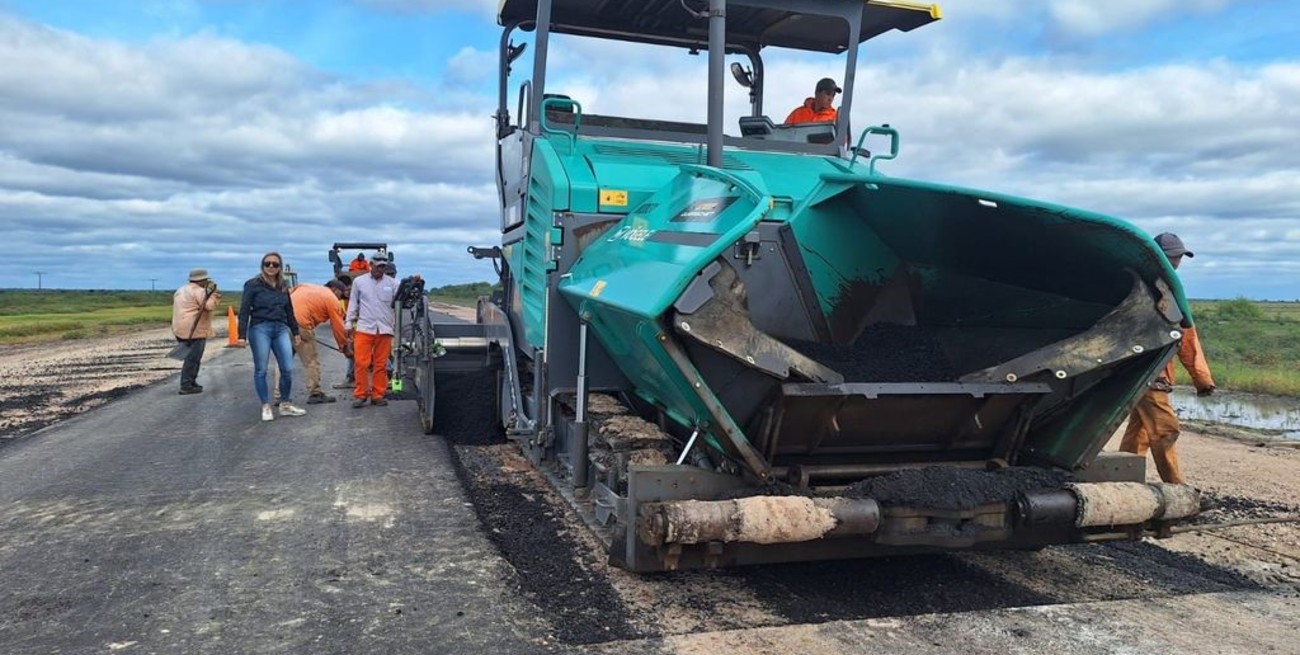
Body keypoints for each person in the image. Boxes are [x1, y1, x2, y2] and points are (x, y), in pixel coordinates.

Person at [1119, 232, 1215, 485]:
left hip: (1137, 372)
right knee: (1165, 429)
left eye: (1178, 256)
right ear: (1158, 256)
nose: (1177, 261)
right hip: (1150, 373)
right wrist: (1201, 379)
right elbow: (1186, 336)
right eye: (1173, 256)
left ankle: (1124, 482)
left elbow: (1185, 336)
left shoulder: (1150, 285)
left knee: (1138, 433)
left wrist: (1202, 379)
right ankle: (1177, 489)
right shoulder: (1159, 289)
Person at [237, 252, 307, 422]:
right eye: (267, 264)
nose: (271, 267)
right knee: (261, 369)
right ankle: (265, 406)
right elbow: (245, 310)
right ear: (262, 265)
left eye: (275, 264)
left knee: (287, 368)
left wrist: (295, 332)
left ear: (279, 267)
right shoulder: (253, 285)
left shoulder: (283, 286)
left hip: (281, 328)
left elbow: (289, 310)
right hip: (260, 327)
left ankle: (285, 404)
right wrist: (241, 335)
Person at [346, 250, 400, 408]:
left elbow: (401, 300)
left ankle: (378, 394)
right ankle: (361, 394)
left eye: (383, 267)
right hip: (365, 328)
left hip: (384, 329)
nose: (380, 270)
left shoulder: (392, 283)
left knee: (381, 364)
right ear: (370, 265)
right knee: (361, 363)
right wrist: (348, 322)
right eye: (377, 266)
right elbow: (353, 303)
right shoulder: (359, 282)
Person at [290, 280, 352, 404]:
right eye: (340, 295)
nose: (340, 298)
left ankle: (280, 396)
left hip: (283, 323)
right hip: (302, 325)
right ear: (335, 290)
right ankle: (315, 393)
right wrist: (345, 347)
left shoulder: (305, 286)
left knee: (283, 360)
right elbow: (338, 327)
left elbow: (291, 293)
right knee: (311, 361)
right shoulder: (331, 298)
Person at [171, 268, 221, 394]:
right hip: (194, 329)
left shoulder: (180, 290)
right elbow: (209, 306)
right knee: (193, 358)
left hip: (180, 327)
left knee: (190, 357)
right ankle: (187, 385)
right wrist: (214, 294)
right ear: (202, 280)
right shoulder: (198, 291)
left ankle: (191, 382)